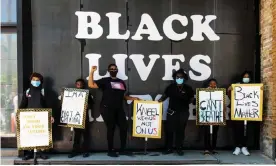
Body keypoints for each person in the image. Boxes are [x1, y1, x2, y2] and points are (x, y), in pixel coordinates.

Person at [88, 64, 139, 157]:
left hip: (119, 108)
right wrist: (92, 72)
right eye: (111, 69)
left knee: (124, 127)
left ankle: (123, 149)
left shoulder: (121, 82)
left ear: (117, 70)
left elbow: (123, 96)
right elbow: (91, 84)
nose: (113, 70)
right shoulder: (105, 80)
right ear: (109, 70)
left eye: (115, 69)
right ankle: (110, 150)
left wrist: (133, 98)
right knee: (111, 128)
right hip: (107, 108)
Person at [19, 72, 54, 160]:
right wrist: (18, 115)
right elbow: (23, 104)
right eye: (33, 80)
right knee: (30, 135)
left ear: (41, 81)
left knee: (41, 135)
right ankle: (29, 153)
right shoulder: (27, 92)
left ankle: (41, 153)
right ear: (30, 81)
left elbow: (48, 105)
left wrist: (51, 116)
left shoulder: (43, 92)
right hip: (30, 118)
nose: (35, 81)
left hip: (42, 117)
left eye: (37, 80)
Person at [158, 69, 194, 156]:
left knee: (180, 131)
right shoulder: (170, 87)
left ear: (184, 78)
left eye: (181, 77)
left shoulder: (188, 88)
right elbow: (164, 97)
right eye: (177, 77)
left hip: (183, 112)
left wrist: (184, 101)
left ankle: (179, 148)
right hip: (171, 112)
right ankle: (169, 148)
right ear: (174, 78)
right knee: (169, 130)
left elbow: (192, 99)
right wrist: (155, 103)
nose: (179, 78)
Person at [68, 79, 94, 158]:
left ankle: (85, 151)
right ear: (76, 85)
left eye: (81, 84)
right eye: (78, 84)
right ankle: (75, 150)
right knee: (77, 134)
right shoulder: (72, 93)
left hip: (84, 116)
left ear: (83, 85)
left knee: (85, 134)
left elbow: (91, 104)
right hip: (75, 116)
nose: (79, 86)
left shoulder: (87, 94)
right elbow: (67, 104)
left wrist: (88, 106)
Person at [228, 71, 252, 156]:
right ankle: (237, 147)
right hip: (238, 112)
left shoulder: (253, 86)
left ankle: (244, 147)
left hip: (248, 112)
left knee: (246, 130)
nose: (246, 78)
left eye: (248, 76)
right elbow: (230, 96)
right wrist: (230, 89)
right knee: (237, 130)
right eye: (245, 76)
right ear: (242, 77)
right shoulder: (236, 85)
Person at [202, 78, 219, 155]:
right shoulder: (203, 92)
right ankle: (206, 148)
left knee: (215, 132)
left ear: (216, 84)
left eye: (214, 83)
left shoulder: (220, 92)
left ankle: (213, 148)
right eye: (211, 84)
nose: (212, 85)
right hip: (207, 115)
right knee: (206, 132)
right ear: (208, 84)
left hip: (216, 115)